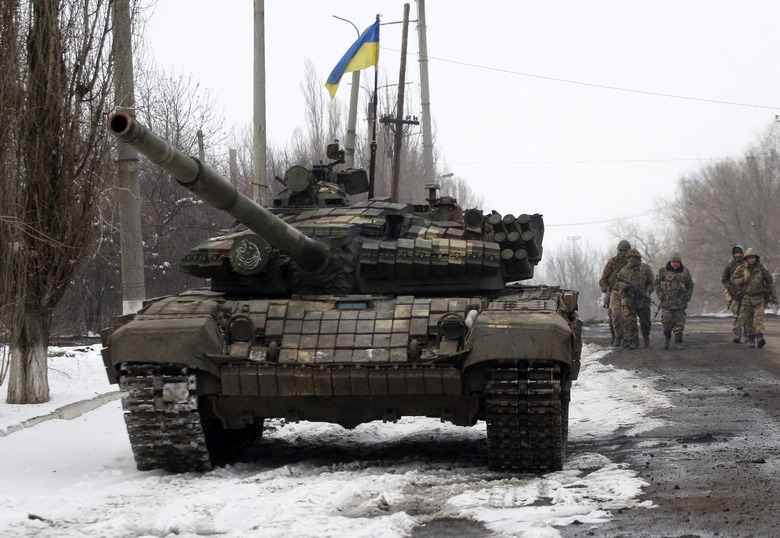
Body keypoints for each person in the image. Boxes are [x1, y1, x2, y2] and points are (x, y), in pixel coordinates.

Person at [731, 248, 778, 348]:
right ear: (746, 259)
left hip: (759, 298)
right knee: (748, 321)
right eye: (749, 258)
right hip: (746, 298)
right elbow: (733, 280)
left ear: (756, 258)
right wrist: (743, 280)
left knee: (759, 318)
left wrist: (775, 298)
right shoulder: (741, 268)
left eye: (753, 258)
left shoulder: (762, 269)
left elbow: (770, 283)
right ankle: (751, 338)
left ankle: (760, 337)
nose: (751, 260)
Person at [616, 248, 655, 350]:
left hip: (643, 300)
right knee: (630, 322)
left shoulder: (645, 268)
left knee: (645, 322)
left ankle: (646, 338)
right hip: (629, 300)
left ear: (638, 257)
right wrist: (623, 286)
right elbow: (618, 283)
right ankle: (634, 341)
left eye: (634, 257)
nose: (632, 259)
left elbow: (651, 283)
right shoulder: (624, 270)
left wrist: (647, 292)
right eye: (630, 257)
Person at [654, 252, 694, 350]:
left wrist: (687, 297)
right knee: (666, 323)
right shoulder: (663, 271)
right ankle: (667, 340)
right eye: (674, 262)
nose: (675, 264)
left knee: (679, 323)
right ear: (670, 262)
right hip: (666, 303)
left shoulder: (685, 271)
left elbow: (690, 284)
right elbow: (657, 283)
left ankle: (678, 342)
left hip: (680, 303)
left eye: (677, 262)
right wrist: (660, 295)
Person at [600, 240, 632, 347]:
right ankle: (618, 336)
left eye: (626, 251)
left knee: (626, 316)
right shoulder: (612, 261)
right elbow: (604, 277)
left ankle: (626, 337)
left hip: (627, 292)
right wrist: (604, 291)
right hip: (614, 292)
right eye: (622, 251)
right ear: (619, 251)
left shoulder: (632, 263)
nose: (624, 253)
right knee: (616, 314)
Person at [721, 245, 745, 343]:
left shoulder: (748, 264)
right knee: (736, 313)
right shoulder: (730, 265)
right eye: (736, 253)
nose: (738, 255)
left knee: (747, 314)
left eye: (740, 253)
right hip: (733, 292)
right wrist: (730, 288)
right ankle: (737, 333)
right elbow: (724, 279)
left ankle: (747, 333)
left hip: (746, 292)